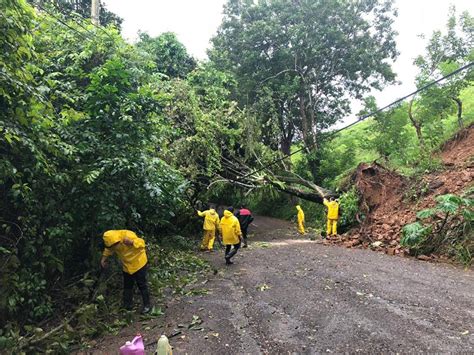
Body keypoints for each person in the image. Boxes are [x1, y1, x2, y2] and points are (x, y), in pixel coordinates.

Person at [101, 230, 151, 313]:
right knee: (127, 285)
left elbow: (142, 243)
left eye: (115, 244)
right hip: (127, 265)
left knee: (141, 284)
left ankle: (147, 305)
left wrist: (132, 242)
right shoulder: (111, 244)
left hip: (139, 262)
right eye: (113, 245)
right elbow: (108, 249)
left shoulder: (128, 235)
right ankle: (127, 306)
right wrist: (104, 258)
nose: (115, 246)